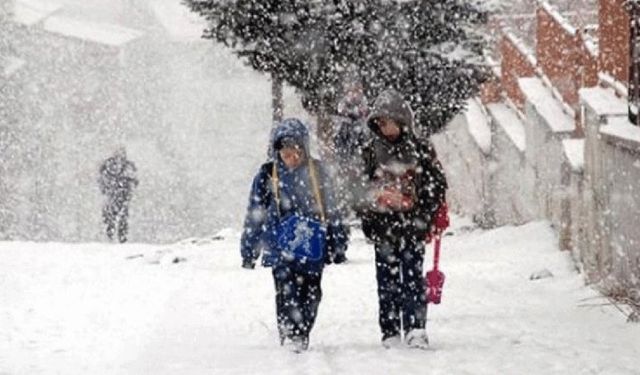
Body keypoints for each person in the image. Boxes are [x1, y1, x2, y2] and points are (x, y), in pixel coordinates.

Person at [240, 118, 348, 352]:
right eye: (285, 153)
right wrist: (249, 250)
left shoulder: (318, 173)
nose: (291, 158)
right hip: (280, 246)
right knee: (285, 290)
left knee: (312, 292)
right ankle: (290, 332)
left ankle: (302, 330)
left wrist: (339, 243)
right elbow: (254, 213)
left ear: (304, 149)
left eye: (296, 152)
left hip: (313, 247)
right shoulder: (267, 175)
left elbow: (333, 210)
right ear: (277, 152)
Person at [357, 89, 449, 349]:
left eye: (389, 122)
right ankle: (389, 330)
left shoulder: (420, 149)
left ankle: (416, 327)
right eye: (380, 123)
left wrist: (424, 215)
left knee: (411, 278)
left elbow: (436, 185)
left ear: (401, 121)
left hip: (412, 226)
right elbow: (359, 188)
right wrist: (370, 215)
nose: (385, 128)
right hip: (383, 228)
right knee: (386, 281)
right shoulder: (371, 152)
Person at [98, 147, 139, 243]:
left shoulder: (108, 165)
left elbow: (101, 179)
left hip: (116, 194)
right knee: (118, 217)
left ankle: (113, 237)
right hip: (119, 194)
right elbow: (135, 180)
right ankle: (117, 237)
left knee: (114, 217)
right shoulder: (127, 166)